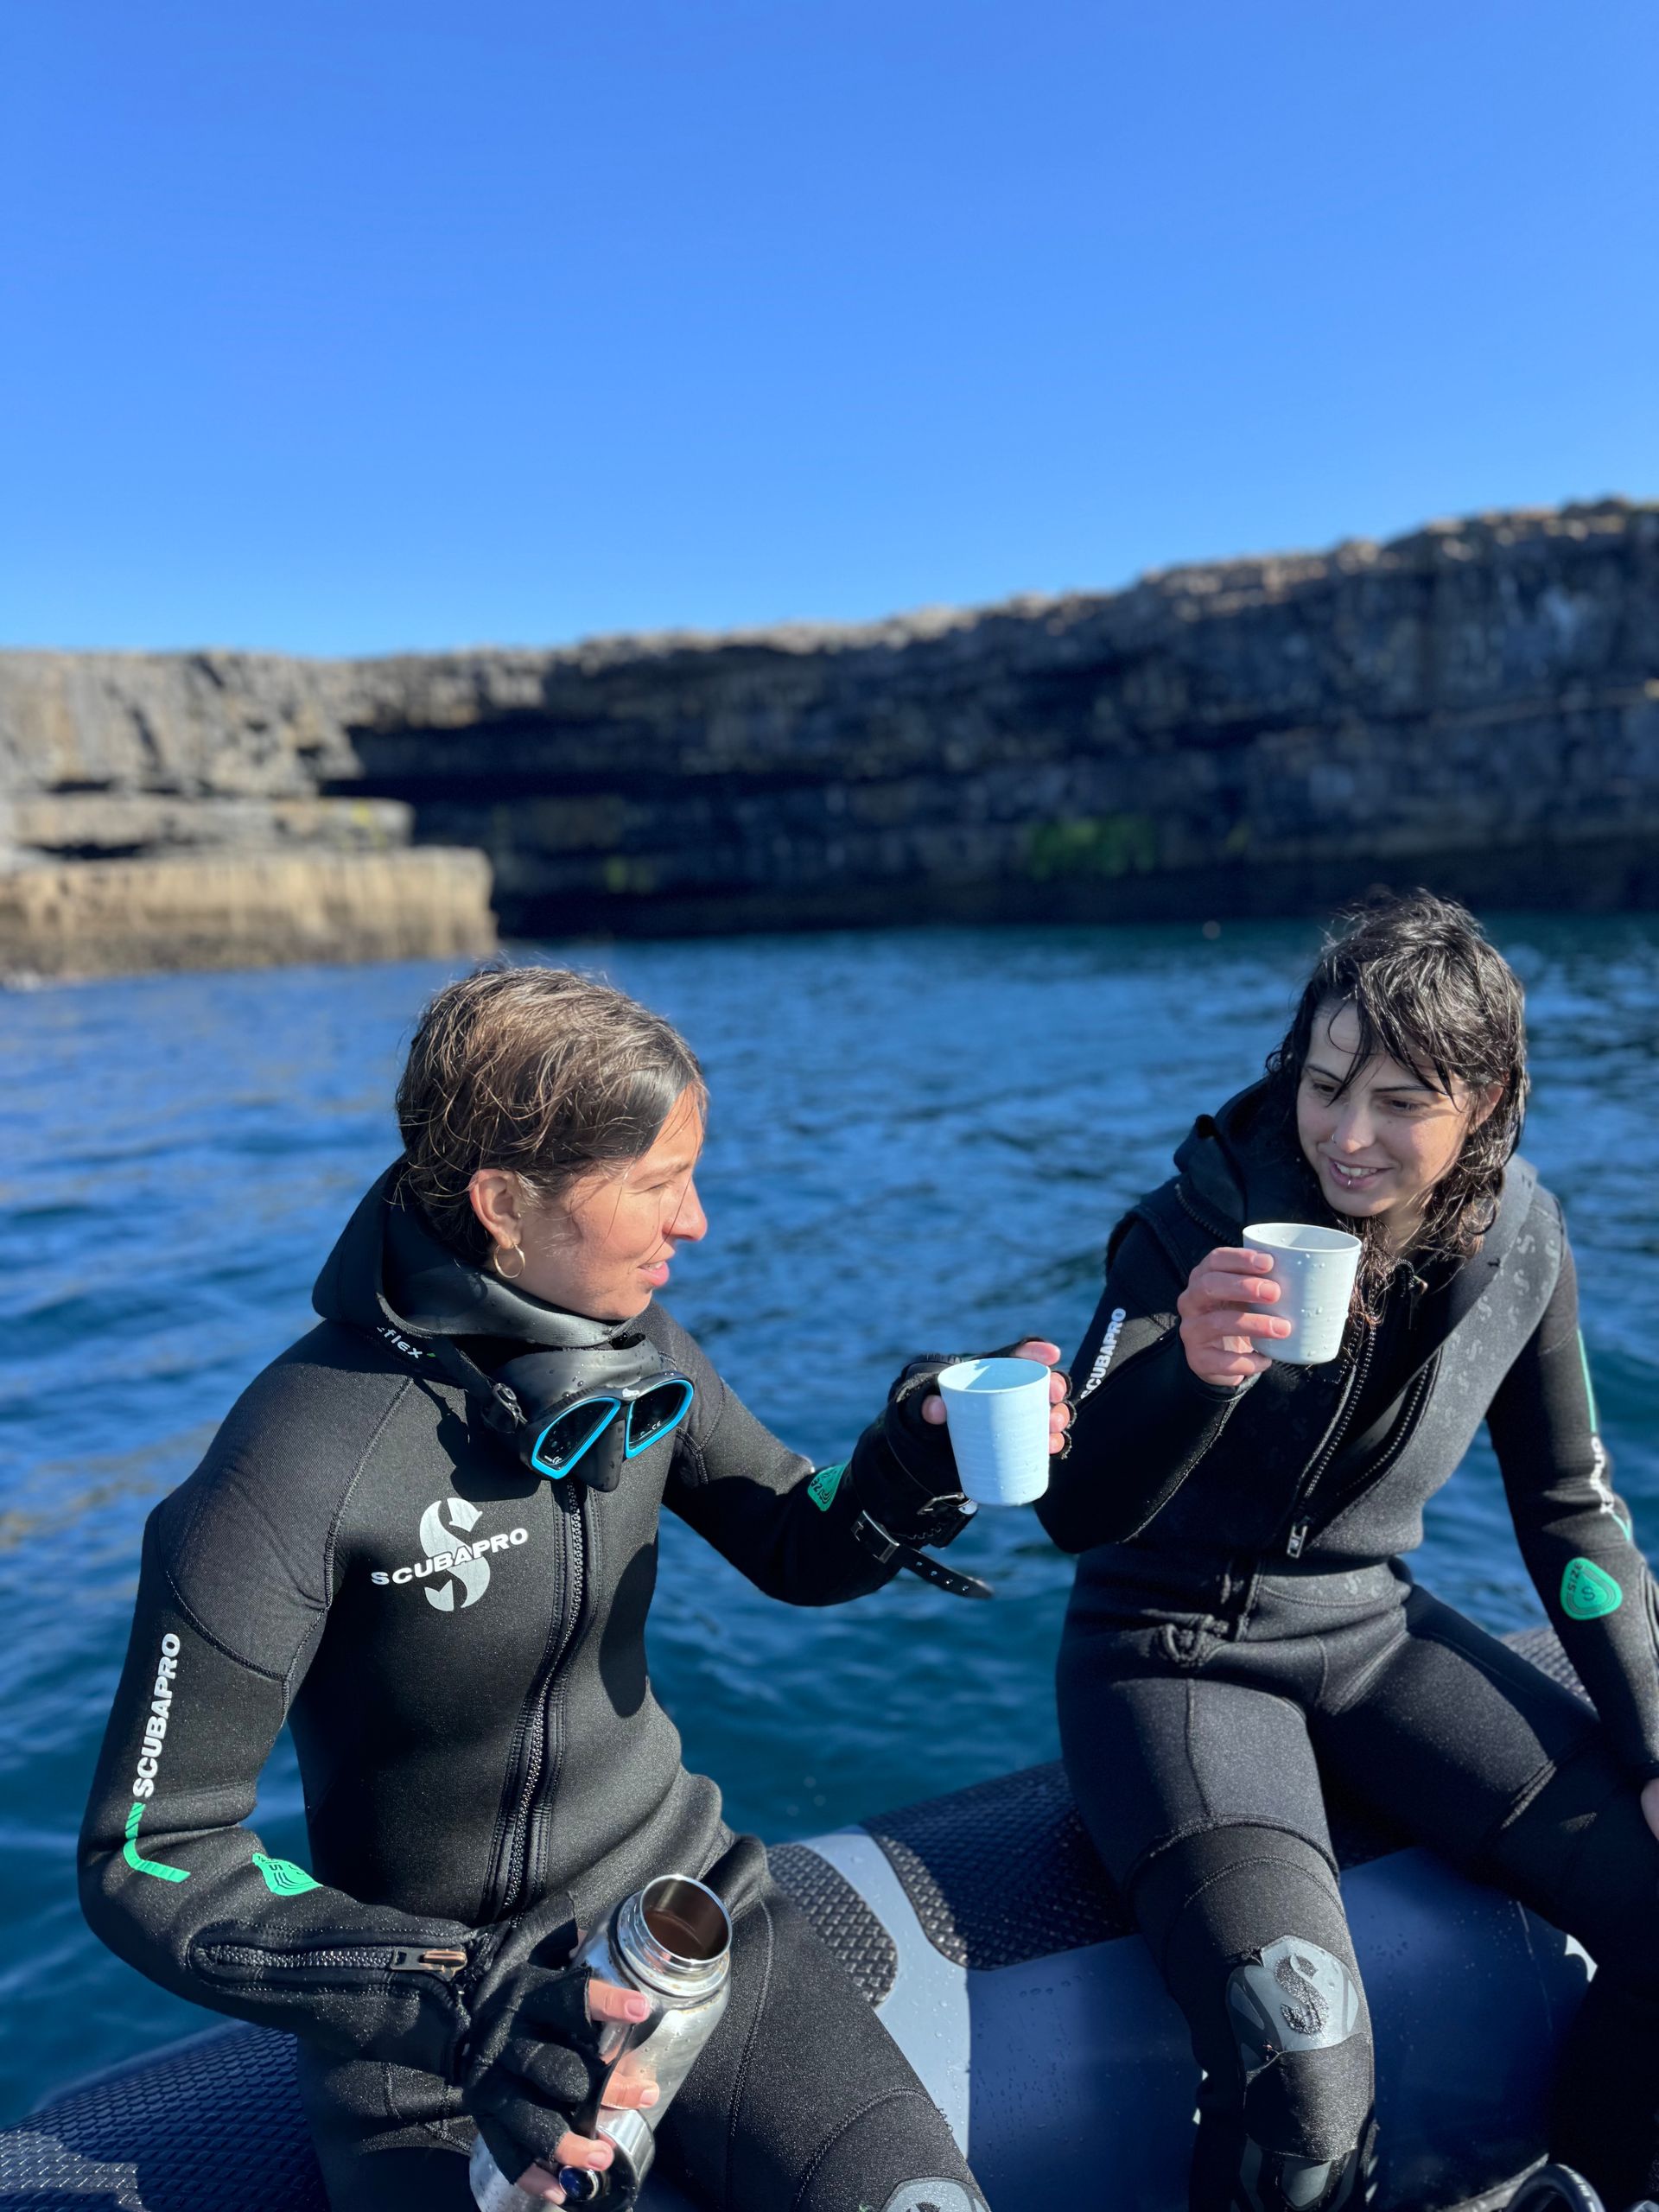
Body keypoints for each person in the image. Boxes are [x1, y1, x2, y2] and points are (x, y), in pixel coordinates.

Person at [79, 964, 1070, 2212]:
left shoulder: (636, 1350)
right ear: (503, 1204)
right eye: (657, 1186)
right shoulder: (295, 1461)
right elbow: (151, 1851)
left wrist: (914, 1455)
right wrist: (450, 1988)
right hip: (439, 2039)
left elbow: (799, 1542)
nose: (696, 1222)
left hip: (690, 1916)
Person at [1038, 892, 1659, 2212]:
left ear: (1484, 1105)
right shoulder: (1195, 1220)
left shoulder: (1523, 1240)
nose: (1348, 1135)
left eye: (1399, 1101)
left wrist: (1655, 1746)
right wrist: (1191, 1372)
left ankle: (1585, 2191)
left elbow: (1569, 1510)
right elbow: (1072, 1507)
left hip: (1370, 1636)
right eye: (1326, 1087)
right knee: (1306, 2071)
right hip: (1170, 1654)